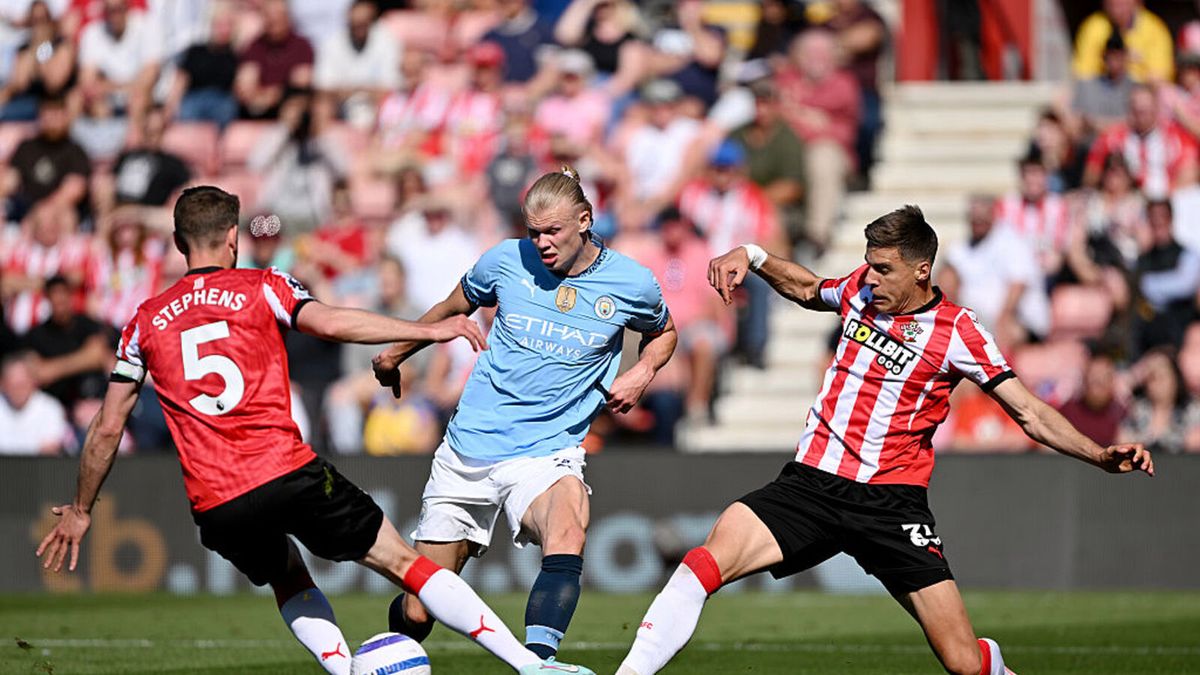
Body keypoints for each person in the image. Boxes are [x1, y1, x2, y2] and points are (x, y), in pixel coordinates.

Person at [34, 185, 596, 675]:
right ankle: (529, 665)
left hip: (216, 499)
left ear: (180, 244)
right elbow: (329, 321)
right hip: (285, 469)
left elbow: (108, 426)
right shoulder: (261, 285)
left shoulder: (144, 320)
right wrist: (428, 330)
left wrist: (82, 508)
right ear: (233, 236)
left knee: (287, 578)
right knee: (406, 563)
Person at [615, 205, 1154, 675]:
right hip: (811, 484)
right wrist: (753, 255)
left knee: (962, 662)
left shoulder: (957, 330)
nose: (870, 278)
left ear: (922, 270)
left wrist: (1099, 454)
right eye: (869, 264)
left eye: (884, 268)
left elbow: (1030, 413)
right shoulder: (859, 291)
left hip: (890, 504)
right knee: (702, 564)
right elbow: (806, 288)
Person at [372, 167, 677, 662]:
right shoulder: (504, 261)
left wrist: (641, 373)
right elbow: (451, 308)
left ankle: (540, 665)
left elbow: (664, 333)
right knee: (421, 608)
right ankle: (390, 654)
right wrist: (394, 353)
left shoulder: (631, 282)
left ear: (584, 220)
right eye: (533, 231)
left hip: (547, 451)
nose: (540, 243)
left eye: (552, 231)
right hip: (469, 450)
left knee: (568, 528)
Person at [1072, 0, 1172, 84]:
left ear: (1137, 2)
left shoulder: (1154, 29)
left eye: (1121, 4)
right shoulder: (1093, 26)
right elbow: (1082, 74)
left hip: (1140, 92)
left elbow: (1160, 76)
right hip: (1104, 90)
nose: (1116, 8)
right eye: (1111, 4)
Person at [0, 350, 69, 455]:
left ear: (33, 382)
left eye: (22, 385)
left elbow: (50, 450)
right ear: (3, 384)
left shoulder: (51, 409)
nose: (18, 391)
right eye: (13, 385)